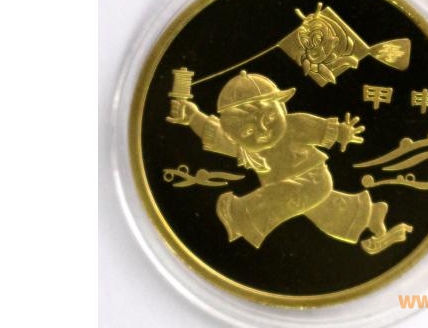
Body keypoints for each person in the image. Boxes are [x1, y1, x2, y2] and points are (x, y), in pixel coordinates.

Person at [168, 70, 412, 254]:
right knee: (327, 213)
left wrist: (341, 132)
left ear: (282, 107)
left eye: (268, 118)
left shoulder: (294, 125)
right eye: (248, 130)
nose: (263, 132)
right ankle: (370, 215)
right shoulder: (243, 147)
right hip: (294, 187)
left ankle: (241, 213)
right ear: (234, 134)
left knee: (277, 197)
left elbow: (316, 128)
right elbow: (215, 134)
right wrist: (192, 117)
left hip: (311, 180)